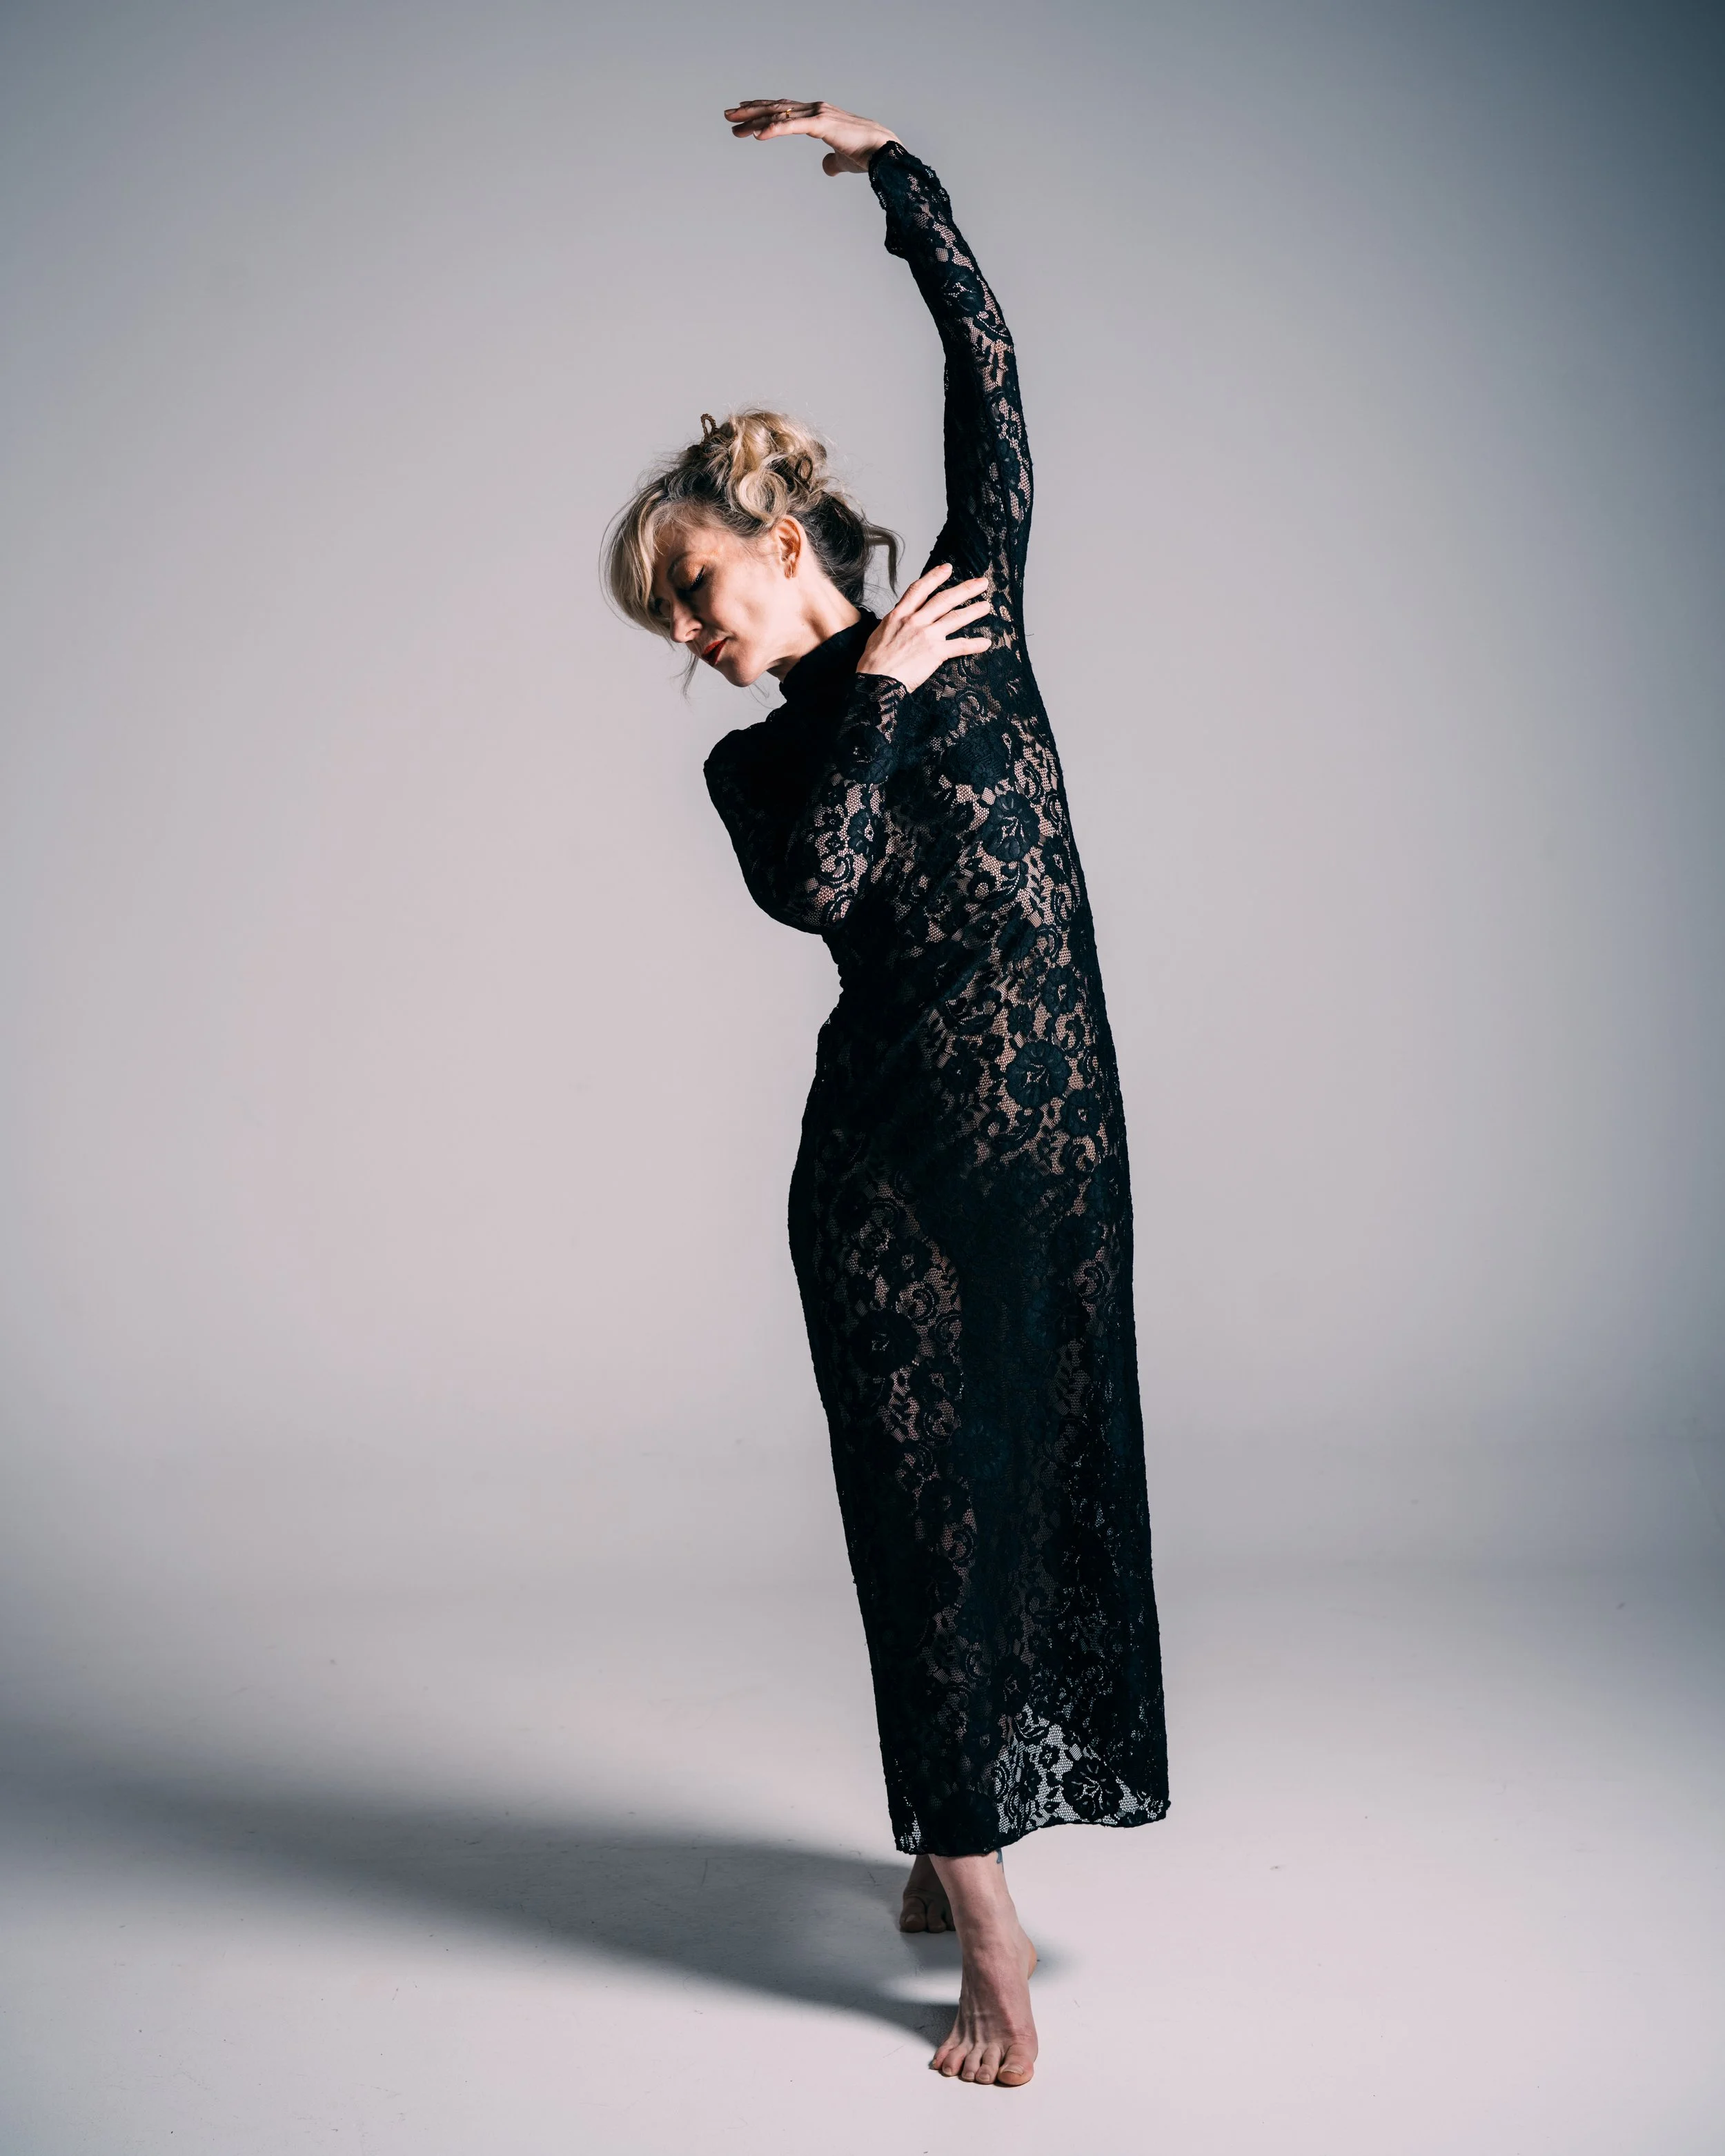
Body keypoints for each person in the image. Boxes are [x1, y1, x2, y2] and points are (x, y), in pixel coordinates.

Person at [605, 99, 1168, 2090]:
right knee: (930, 1528)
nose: (694, 638)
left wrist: (903, 182)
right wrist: (878, 696)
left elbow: (992, 390)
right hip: (893, 1188)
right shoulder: (764, 762)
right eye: (671, 623)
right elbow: (824, 883)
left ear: (779, 542)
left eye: (699, 591)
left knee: (1044, 1494)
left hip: (1062, 1153)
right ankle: (987, 1936)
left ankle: (951, 1829)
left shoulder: (974, 603)